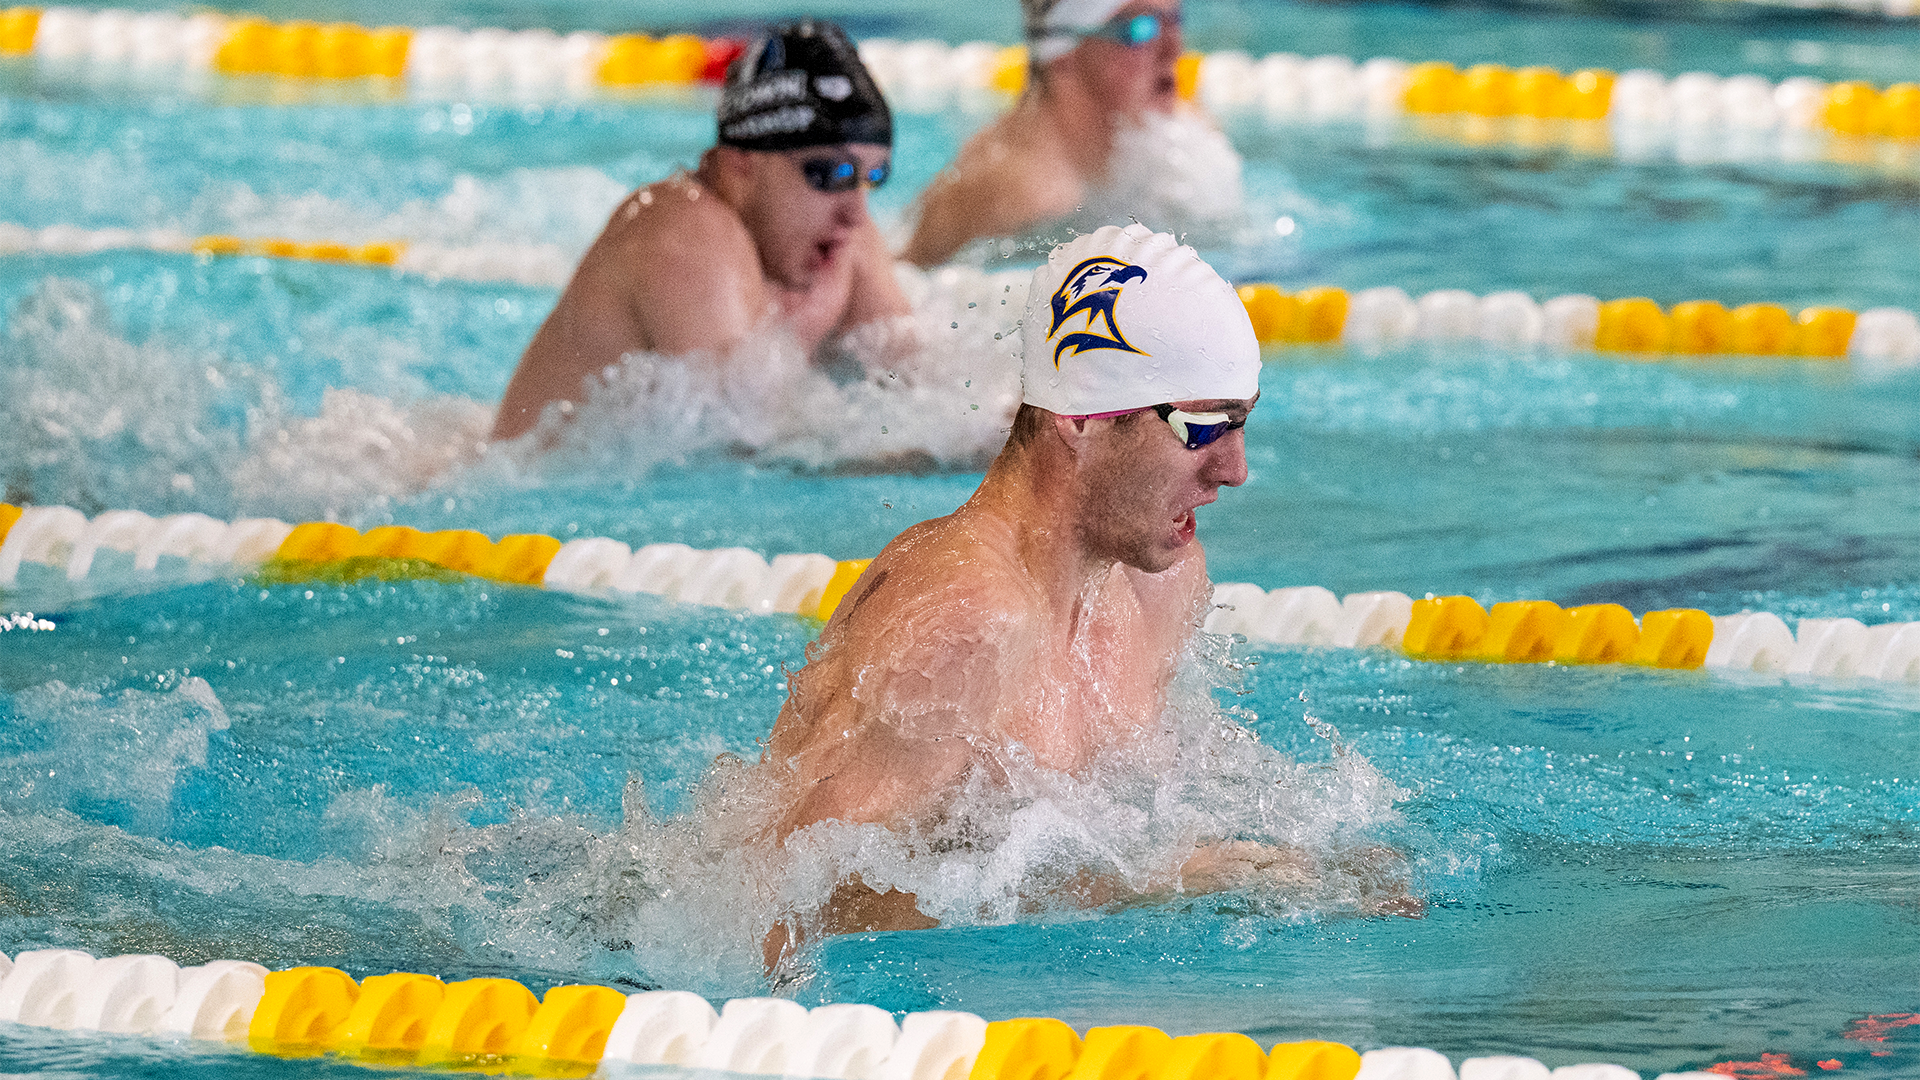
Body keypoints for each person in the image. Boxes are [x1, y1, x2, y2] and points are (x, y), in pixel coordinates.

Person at [757, 224, 1290, 967]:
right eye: (1204, 430)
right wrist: (1127, 886)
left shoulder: (1159, 584)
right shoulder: (965, 624)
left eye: (1242, 424)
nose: (1233, 470)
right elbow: (782, 910)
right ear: (1081, 419)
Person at [492, 20, 912, 442]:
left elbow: (918, 384)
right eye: (828, 173)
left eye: (872, 176)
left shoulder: (838, 241)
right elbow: (743, 452)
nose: (855, 212)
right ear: (742, 161)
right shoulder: (683, 233)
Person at [900, 0, 1188, 268]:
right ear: (1064, 52)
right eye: (1141, 29)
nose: (1174, 50)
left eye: (1174, 20)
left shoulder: (1178, 133)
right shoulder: (1022, 193)